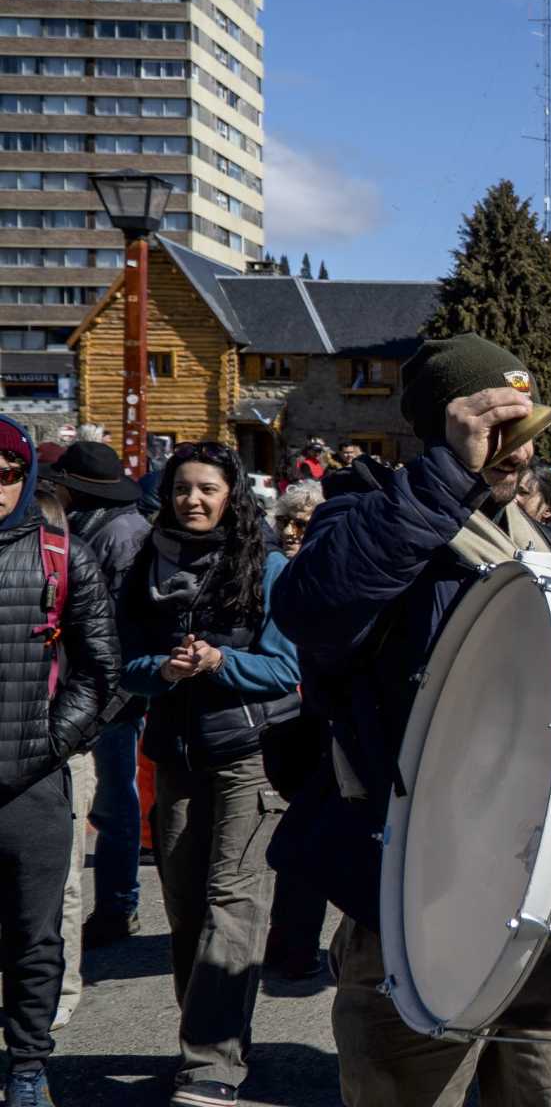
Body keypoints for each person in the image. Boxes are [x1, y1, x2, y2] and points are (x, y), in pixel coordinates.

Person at [269, 334, 551, 1106]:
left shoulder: (549, 541)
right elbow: (312, 606)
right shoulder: (368, 513)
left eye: (525, 427)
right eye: (496, 427)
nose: (518, 449)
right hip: (417, 898)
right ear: (447, 425)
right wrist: (447, 478)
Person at [118, 441, 303, 1107]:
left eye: (207, 489)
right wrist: (161, 672)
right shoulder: (146, 568)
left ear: (232, 497)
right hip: (174, 756)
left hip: (249, 757)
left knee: (234, 907)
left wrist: (223, 664)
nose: (192, 500)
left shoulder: (269, 570)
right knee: (187, 911)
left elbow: (288, 669)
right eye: (181, 489)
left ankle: (211, 1060)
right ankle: (215, 1036)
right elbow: (126, 663)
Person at [0, 418, 120, 1107]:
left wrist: (43, 747)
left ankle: (26, 1065)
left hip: (32, 784)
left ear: (25, 478)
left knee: (35, 935)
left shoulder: (62, 556)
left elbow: (99, 674)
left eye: (7, 472)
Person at [42, 442, 151, 1033]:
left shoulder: (116, 535)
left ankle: (118, 902)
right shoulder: (105, 526)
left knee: (113, 800)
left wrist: (104, 702)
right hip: (104, 693)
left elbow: (117, 625)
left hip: (107, 694)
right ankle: (117, 901)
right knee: (112, 799)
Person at [260, 479, 330, 982]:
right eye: (284, 520)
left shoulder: (331, 571)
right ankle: (292, 946)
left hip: (325, 716)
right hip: (293, 718)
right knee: (304, 836)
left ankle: (296, 946)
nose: (289, 530)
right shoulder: (274, 568)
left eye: (301, 522)